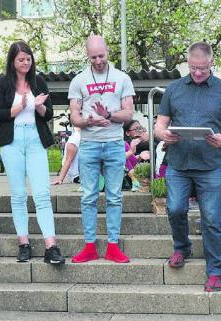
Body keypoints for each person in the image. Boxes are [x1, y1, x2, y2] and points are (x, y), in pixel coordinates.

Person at [153, 41, 221, 292]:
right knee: (175, 209)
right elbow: (159, 125)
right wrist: (164, 135)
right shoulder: (174, 89)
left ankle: (216, 270)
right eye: (193, 68)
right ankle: (182, 248)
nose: (198, 73)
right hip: (178, 164)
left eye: (202, 68)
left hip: (210, 166)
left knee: (212, 218)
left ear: (211, 62)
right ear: (188, 62)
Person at [0, 41, 64, 264]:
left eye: (28, 59)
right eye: (21, 59)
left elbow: (48, 114)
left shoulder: (38, 81)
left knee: (42, 194)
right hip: (12, 141)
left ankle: (50, 246)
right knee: (18, 195)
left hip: (34, 138)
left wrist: (39, 106)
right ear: (12, 61)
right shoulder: (4, 83)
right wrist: (21, 105)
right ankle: (23, 242)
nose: (25, 63)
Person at [68, 35, 135, 264]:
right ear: (88, 55)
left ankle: (113, 246)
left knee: (114, 196)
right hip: (89, 144)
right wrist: (89, 121)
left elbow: (128, 114)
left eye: (101, 55)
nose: (98, 61)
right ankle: (90, 246)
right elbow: (74, 117)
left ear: (108, 51)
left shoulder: (122, 78)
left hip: (115, 143)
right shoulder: (79, 80)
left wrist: (108, 115)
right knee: (88, 196)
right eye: (93, 57)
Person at [123, 119, 150, 191]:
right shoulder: (126, 143)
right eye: (136, 129)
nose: (140, 131)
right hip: (129, 174)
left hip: (139, 171)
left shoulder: (145, 141)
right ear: (127, 133)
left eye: (141, 128)